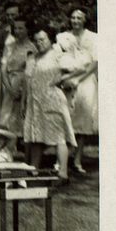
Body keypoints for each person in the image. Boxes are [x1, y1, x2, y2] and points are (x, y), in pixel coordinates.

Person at [23, 25, 76, 183]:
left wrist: (61, 80)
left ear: (50, 39)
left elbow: (76, 69)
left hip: (52, 99)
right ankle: (33, 171)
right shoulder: (32, 57)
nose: (39, 43)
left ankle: (63, 174)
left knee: (58, 137)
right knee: (36, 137)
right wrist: (24, 102)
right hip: (34, 101)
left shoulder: (58, 54)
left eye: (42, 39)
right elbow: (27, 80)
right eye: (37, 40)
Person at [56, 7, 98, 174]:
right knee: (65, 120)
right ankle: (62, 159)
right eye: (73, 17)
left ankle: (77, 159)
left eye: (79, 18)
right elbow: (57, 59)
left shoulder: (94, 38)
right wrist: (67, 79)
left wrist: (78, 79)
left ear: (84, 19)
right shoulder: (63, 37)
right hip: (67, 81)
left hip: (86, 82)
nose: (75, 21)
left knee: (83, 121)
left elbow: (95, 63)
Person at [0, 17, 35, 137]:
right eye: (15, 28)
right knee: (6, 113)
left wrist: (21, 90)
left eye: (21, 28)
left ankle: (21, 142)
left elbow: (30, 72)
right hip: (9, 81)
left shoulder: (32, 48)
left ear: (28, 30)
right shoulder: (10, 46)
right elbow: (3, 67)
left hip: (23, 84)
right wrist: (8, 87)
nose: (17, 31)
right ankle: (7, 144)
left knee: (20, 113)